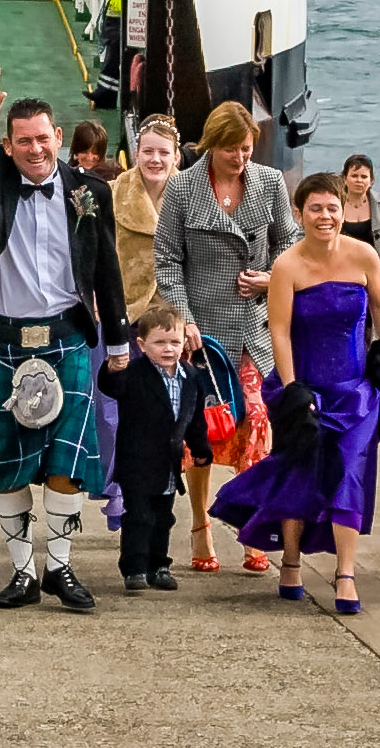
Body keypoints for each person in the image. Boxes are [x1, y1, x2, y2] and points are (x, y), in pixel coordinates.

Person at [0, 65, 130, 613]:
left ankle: (60, 567)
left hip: (67, 337)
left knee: (67, 466)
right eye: (23, 140)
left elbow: (107, 271)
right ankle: (23, 571)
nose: (35, 149)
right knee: (8, 467)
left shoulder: (89, 192)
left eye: (43, 138)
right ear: (9, 144)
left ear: (59, 138)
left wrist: (117, 346)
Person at [212, 172, 380, 614]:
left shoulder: (364, 256)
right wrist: (293, 391)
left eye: (332, 207)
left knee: (351, 470)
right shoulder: (287, 266)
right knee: (300, 471)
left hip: (354, 391)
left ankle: (345, 571)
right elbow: (278, 331)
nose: (325, 216)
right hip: (304, 385)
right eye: (315, 208)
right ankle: (290, 561)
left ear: (342, 209)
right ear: (299, 213)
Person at [154, 99, 302, 576]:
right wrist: (185, 320)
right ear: (211, 146)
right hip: (202, 336)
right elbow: (167, 261)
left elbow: (290, 244)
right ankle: (200, 523)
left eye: (246, 149)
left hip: (254, 330)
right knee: (202, 433)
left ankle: (253, 525)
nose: (240, 159)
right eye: (231, 150)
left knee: (257, 424)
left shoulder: (270, 183)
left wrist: (269, 279)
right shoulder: (181, 189)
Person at [94, 113, 184, 528]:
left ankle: (151, 490)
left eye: (163, 152)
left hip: (167, 319)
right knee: (111, 408)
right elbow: (93, 249)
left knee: (161, 410)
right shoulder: (112, 193)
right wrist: (94, 297)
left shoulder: (188, 196)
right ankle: (115, 489)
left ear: (176, 156)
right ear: (136, 153)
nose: (154, 159)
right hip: (119, 310)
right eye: (147, 151)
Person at [95, 300, 212, 592]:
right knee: (139, 516)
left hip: (169, 464)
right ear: (142, 344)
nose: (168, 349)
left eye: (174, 341)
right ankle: (134, 568)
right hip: (136, 461)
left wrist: (200, 448)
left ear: (185, 341)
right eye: (159, 342)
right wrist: (112, 367)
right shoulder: (134, 373)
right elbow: (112, 387)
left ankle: (159, 566)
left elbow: (194, 418)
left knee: (164, 517)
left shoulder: (190, 377)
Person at [339, 155, 380, 300]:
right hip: (342, 276)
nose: (359, 180)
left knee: (379, 319)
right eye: (354, 176)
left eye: (364, 176)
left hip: (375, 275)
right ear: (345, 178)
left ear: (371, 180)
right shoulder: (334, 205)